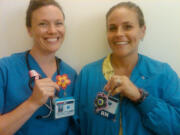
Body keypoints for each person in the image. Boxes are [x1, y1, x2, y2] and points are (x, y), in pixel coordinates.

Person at [75, 1, 180, 135]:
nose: (119, 33)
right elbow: (76, 126)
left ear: (142, 31)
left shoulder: (163, 74)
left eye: (128, 26)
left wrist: (140, 97)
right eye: (112, 28)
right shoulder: (88, 75)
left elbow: (177, 127)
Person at [0, 0, 78, 135]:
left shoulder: (71, 74)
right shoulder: (5, 69)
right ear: (29, 30)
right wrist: (33, 103)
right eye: (43, 24)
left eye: (58, 23)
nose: (53, 31)